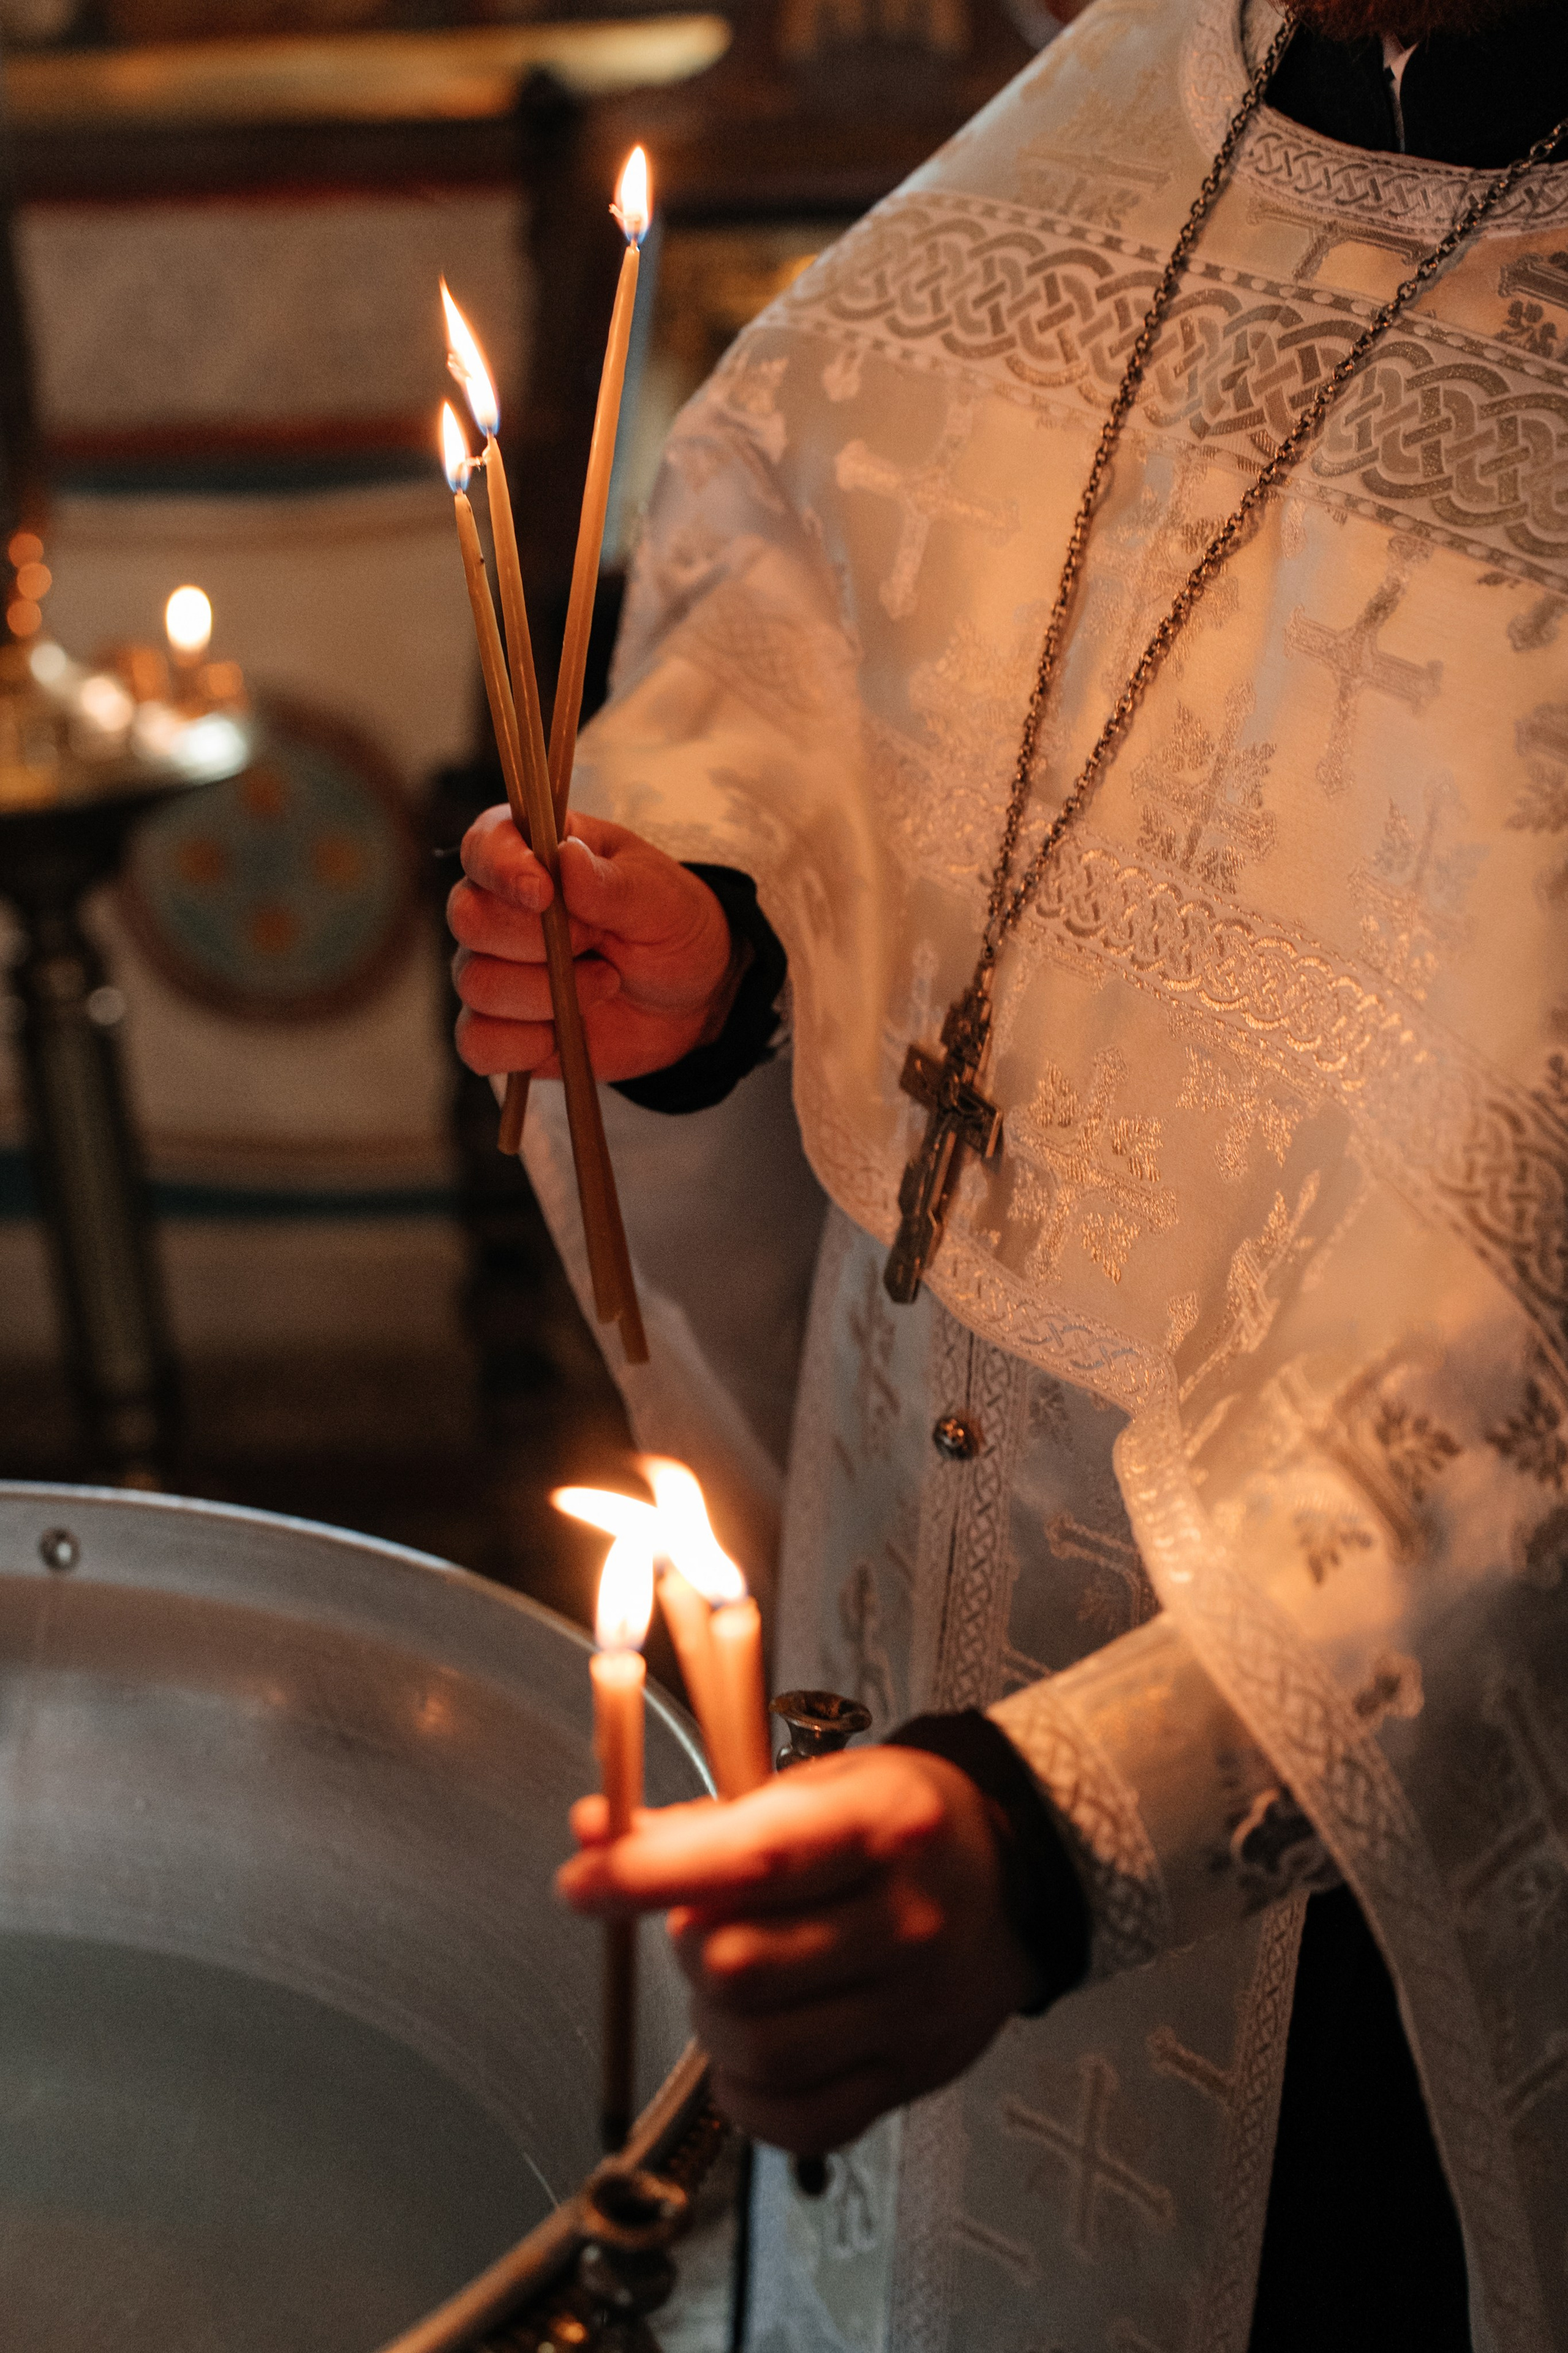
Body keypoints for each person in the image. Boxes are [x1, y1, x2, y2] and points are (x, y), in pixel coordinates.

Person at [449, 1, 1568, 2345]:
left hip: (1357, 1902)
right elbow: (829, 655)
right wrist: (724, 970)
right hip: (898, 1598)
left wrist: (1057, 1831)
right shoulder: (1130, 98)